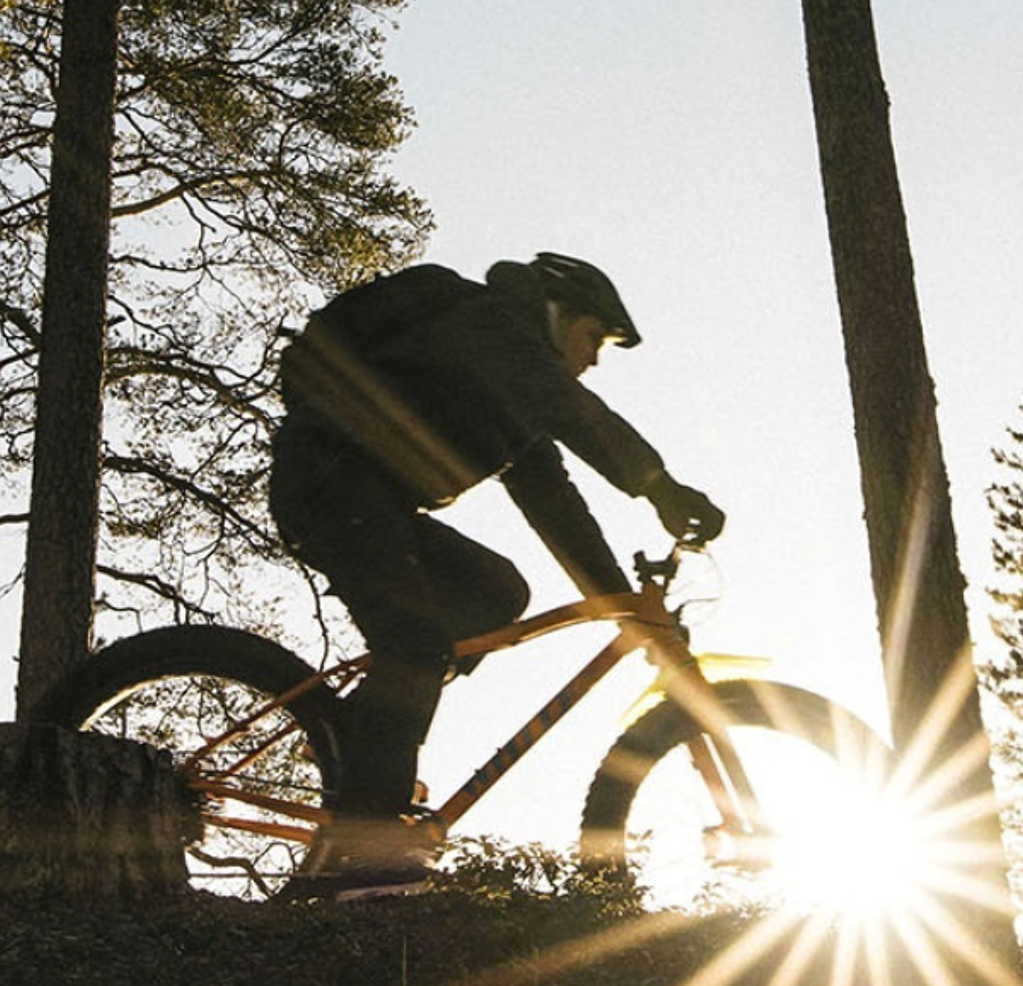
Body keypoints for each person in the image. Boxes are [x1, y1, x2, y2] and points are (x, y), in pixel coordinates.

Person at [268, 252, 725, 900]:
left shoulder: (514, 403)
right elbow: (568, 404)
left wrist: (621, 601)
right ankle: (364, 855)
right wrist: (659, 486)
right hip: (329, 482)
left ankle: (367, 738)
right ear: (557, 311)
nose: (593, 359)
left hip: (371, 500)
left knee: (496, 592)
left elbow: (558, 510)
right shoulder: (486, 323)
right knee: (415, 641)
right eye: (593, 337)